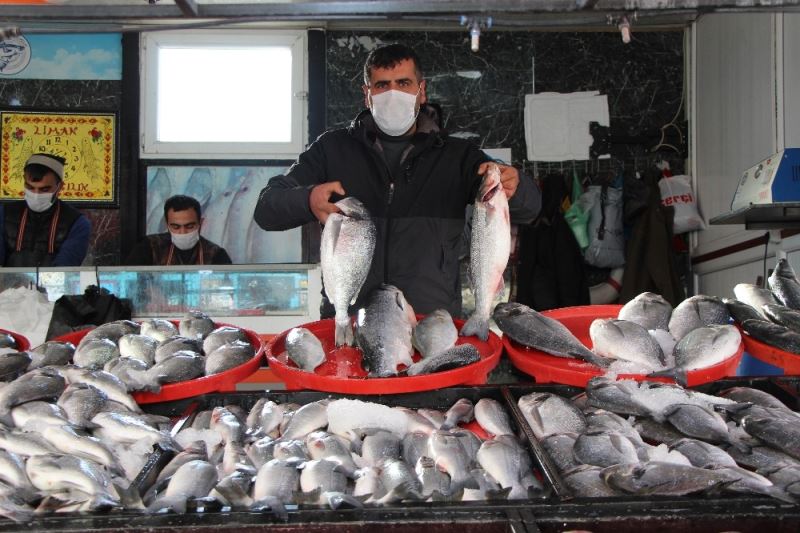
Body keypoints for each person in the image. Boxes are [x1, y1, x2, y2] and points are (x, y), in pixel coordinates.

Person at [254, 43, 541, 317]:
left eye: (403, 83)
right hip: (350, 323)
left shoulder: (458, 156)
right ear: (367, 94)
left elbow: (531, 209)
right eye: (382, 85)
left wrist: (517, 186)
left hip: (432, 326)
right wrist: (307, 199)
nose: (393, 93)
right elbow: (266, 209)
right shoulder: (331, 150)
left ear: (422, 90)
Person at [0, 153, 90, 267]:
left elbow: (65, 270)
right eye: (30, 187)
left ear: (60, 187)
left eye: (44, 189)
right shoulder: (5, 214)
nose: (36, 194)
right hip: (8, 284)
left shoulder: (76, 223)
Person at [125, 194, 232, 265]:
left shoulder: (216, 254)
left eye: (189, 226)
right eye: (175, 227)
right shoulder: (149, 248)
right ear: (167, 225)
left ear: (201, 223)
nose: (182, 232)